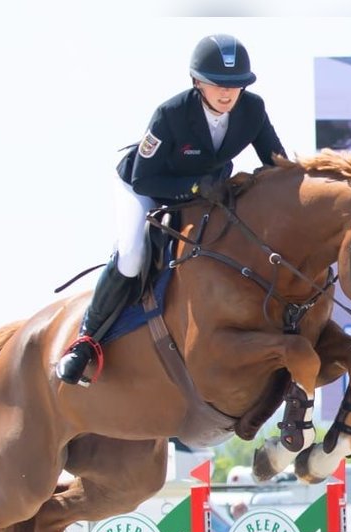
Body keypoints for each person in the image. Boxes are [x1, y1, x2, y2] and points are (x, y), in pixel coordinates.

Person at [56, 34, 286, 385]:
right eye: (217, 85)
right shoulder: (171, 114)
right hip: (147, 185)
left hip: (205, 192)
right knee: (133, 254)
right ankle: (86, 342)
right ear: (197, 82)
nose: (227, 94)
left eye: (236, 85)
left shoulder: (252, 109)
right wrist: (194, 188)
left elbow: (276, 163)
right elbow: (144, 178)